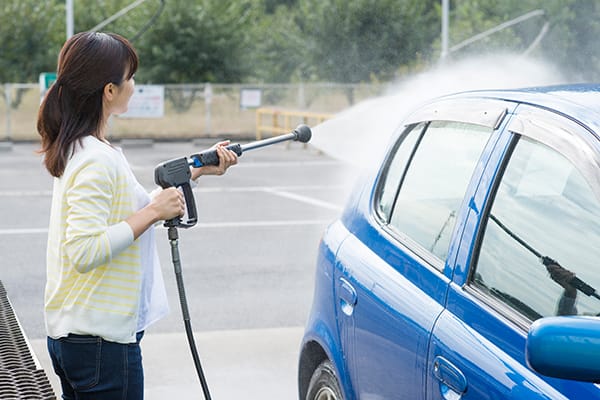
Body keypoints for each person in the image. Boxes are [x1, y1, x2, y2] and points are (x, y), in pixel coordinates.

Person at [37, 31, 237, 400]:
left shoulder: (83, 147)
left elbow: (127, 208)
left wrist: (196, 168)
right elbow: (84, 251)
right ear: (108, 91)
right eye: (129, 77)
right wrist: (153, 213)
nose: (134, 85)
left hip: (79, 338)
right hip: (101, 344)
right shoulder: (96, 159)